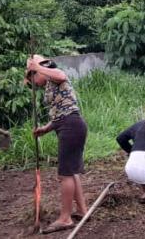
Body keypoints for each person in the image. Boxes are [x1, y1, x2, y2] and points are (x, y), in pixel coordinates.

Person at [26, 54, 89, 234]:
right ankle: (82, 210)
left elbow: (61, 75)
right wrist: (45, 129)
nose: (34, 83)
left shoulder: (54, 75)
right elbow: (60, 114)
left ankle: (65, 218)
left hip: (71, 126)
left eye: (33, 78)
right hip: (68, 125)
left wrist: (36, 67)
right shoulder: (49, 85)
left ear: (39, 70)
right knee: (71, 171)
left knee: (64, 175)